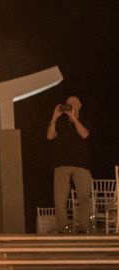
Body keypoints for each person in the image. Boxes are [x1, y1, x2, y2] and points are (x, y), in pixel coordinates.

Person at [46, 95, 91, 233]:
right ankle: (63, 229)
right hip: (61, 164)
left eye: (74, 103)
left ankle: (82, 227)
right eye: (68, 103)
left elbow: (84, 134)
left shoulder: (84, 119)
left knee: (83, 197)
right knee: (60, 199)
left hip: (81, 165)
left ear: (79, 105)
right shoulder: (60, 121)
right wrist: (54, 117)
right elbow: (49, 136)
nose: (71, 105)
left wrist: (74, 118)